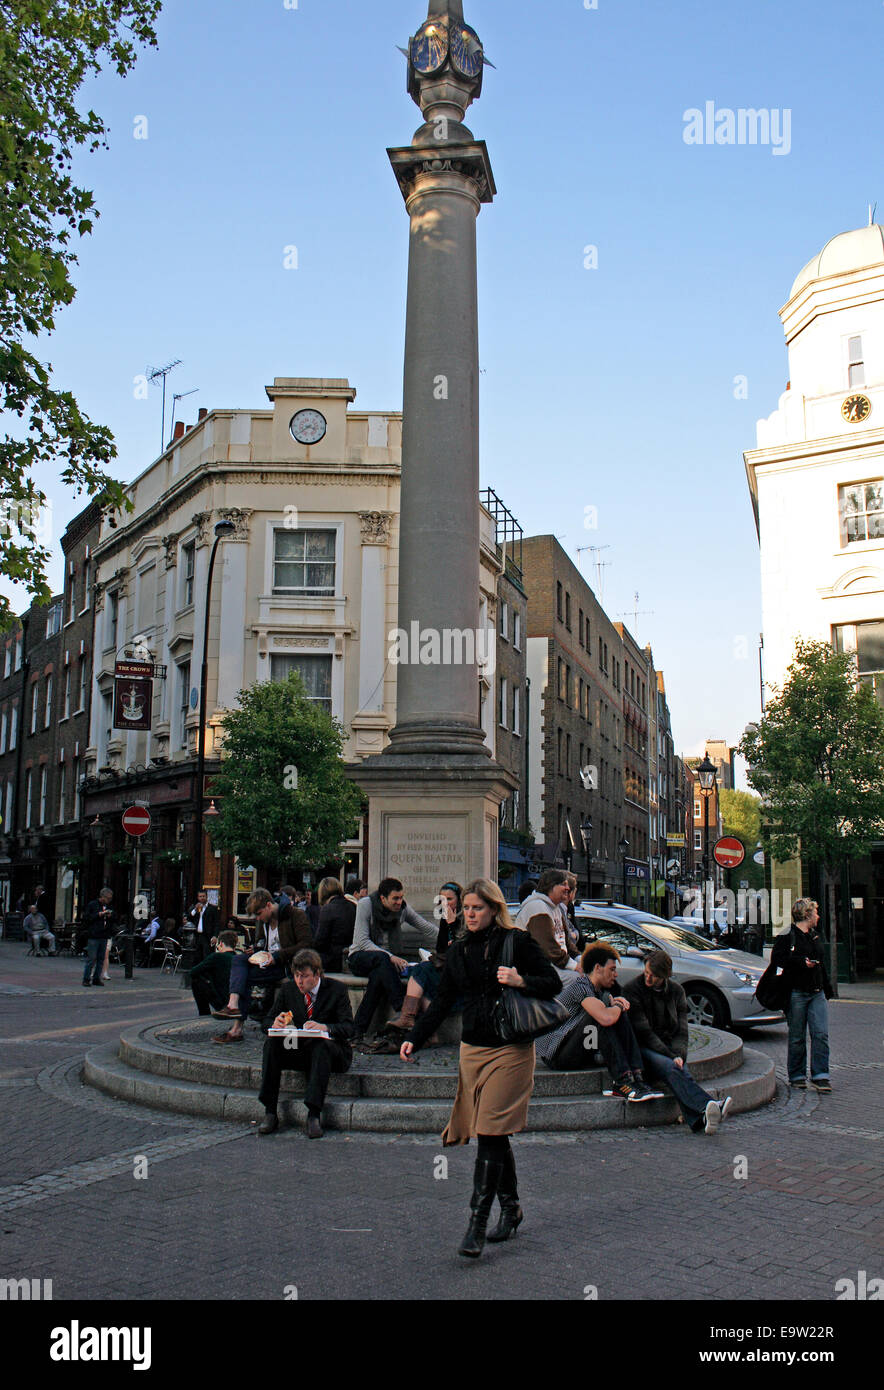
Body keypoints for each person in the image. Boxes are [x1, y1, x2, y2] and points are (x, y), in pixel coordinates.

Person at [401, 879, 562, 1259]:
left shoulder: (516, 942)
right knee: (493, 1133)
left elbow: (552, 982)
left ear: (494, 908)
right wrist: (415, 1035)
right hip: (473, 1050)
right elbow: (441, 1001)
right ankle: (511, 1207)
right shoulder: (458, 951)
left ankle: (476, 1223)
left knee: (489, 1131)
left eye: (477, 908)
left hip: (510, 1049)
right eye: (467, 908)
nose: (470, 914)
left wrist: (520, 979)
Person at [536, 941, 664, 1101]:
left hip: (578, 1047)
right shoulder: (580, 987)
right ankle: (622, 1082)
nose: (615, 974)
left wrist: (616, 1005)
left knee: (616, 1012)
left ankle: (637, 1078)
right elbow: (605, 1018)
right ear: (597, 968)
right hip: (557, 1055)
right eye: (612, 969)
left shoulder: (598, 991)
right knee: (602, 1017)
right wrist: (616, 1004)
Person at [623, 950, 732, 1134]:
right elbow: (644, 1033)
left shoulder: (676, 991)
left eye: (655, 976)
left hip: (668, 1046)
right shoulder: (632, 989)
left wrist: (680, 1055)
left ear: (665, 976)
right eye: (647, 973)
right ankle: (709, 1105)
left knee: (678, 1069)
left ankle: (701, 1118)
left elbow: (682, 1031)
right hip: (643, 1048)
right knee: (672, 1067)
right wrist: (672, 1056)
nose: (648, 979)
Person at [258, 949, 355, 1139]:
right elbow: (266, 1021)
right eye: (296, 976)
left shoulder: (337, 990)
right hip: (299, 1047)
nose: (299, 981)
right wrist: (274, 1023)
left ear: (317, 974)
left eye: (304, 976)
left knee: (321, 1046)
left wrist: (325, 1027)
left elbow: (349, 1028)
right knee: (272, 1044)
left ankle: (313, 1114)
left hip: (330, 1051)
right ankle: (270, 1111)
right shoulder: (288, 990)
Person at [212, 889, 312, 1043]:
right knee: (238, 961)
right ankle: (233, 1004)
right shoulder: (263, 921)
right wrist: (256, 951)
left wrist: (277, 956)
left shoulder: (295, 915)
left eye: (259, 913)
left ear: (268, 905)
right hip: (267, 962)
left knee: (243, 977)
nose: (258, 918)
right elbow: (262, 944)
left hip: (286, 965)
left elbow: (306, 944)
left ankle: (237, 1027)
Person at [347, 877, 438, 1040]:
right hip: (359, 957)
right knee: (382, 959)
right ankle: (402, 1010)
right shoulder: (365, 905)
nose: (399, 902)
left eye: (401, 897)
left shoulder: (403, 909)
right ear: (383, 898)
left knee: (377, 980)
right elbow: (361, 941)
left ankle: (357, 1030)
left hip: (383, 965)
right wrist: (391, 957)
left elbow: (425, 926)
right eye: (395, 898)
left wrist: (451, 938)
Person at [771, 897, 834, 1093]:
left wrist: (826, 986)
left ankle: (820, 1075)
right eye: (815, 912)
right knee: (797, 1036)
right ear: (807, 914)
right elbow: (778, 962)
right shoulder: (787, 936)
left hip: (817, 992)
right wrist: (800, 962)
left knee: (820, 1033)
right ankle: (797, 1075)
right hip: (796, 993)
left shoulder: (814, 935)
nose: (818, 915)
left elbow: (821, 963)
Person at [386, 882, 466, 1033]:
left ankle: (409, 1018)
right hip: (446, 966)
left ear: (459, 900)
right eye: (442, 899)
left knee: (422, 972)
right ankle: (422, 1028)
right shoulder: (444, 917)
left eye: (449, 899)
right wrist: (447, 925)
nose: (446, 903)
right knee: (421, 974)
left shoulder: (466, 919)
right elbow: (441, 948)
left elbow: (461, 952)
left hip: (459, 973)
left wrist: (453, 925)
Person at [514, 869, 580, 972]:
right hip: (540, 970)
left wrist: (579, 959)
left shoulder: (556, 908)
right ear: (551, 886)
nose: (568, 888)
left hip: (557, 965)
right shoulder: (538, 907)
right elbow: (548, 948)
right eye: (563, 884)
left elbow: (567, 943)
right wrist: (575, 966)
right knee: (583, 981)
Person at [190, 929, 239, 1015]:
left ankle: (204, 1012)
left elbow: (193, 972)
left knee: (196, 981)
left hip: (222, 1000)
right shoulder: (238, 958)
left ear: (220, 943)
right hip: (237, 1000)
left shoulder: (216, 957)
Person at [313, 877, 356, 973]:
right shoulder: (353, 905)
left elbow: (320, 941)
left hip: (333, 960)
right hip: (351, 956)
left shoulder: (327, 909)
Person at [82, 889, 115, 986]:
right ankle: (86, 978)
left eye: (110, 898)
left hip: (104, 935)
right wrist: (99, 914)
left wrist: (110, 916)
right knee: (92, 958)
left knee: (101, 958)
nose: (109, 900)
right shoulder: (93, 905)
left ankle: (97, 978)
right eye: (107, 898)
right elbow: (87, 918)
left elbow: (115, 917)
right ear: (102, 897)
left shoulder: (109, 906)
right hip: (94, 935)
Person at [187, 890, 220, 963]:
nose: (202, 898)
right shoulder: (196, 908)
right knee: (197, 956)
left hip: (207, 935)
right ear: (198, 898)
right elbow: (189, 917)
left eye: (203, 896)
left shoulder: (212, 908)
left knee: (207, 955)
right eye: (200, 896)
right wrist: (195, 909)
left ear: (206, 897)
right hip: (197, 935)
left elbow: (216, 924)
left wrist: (215, 935)